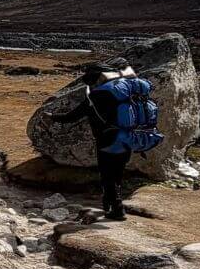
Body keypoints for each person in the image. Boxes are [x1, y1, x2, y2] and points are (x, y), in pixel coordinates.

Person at [51, 59, 136, 221]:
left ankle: (117, 209)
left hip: (107, 140)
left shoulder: (95, 97)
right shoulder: (124, 92)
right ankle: (111, 205)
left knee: (107, 175)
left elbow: (72, 116)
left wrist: (52, 117)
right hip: (127, 137)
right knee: (117, 173)